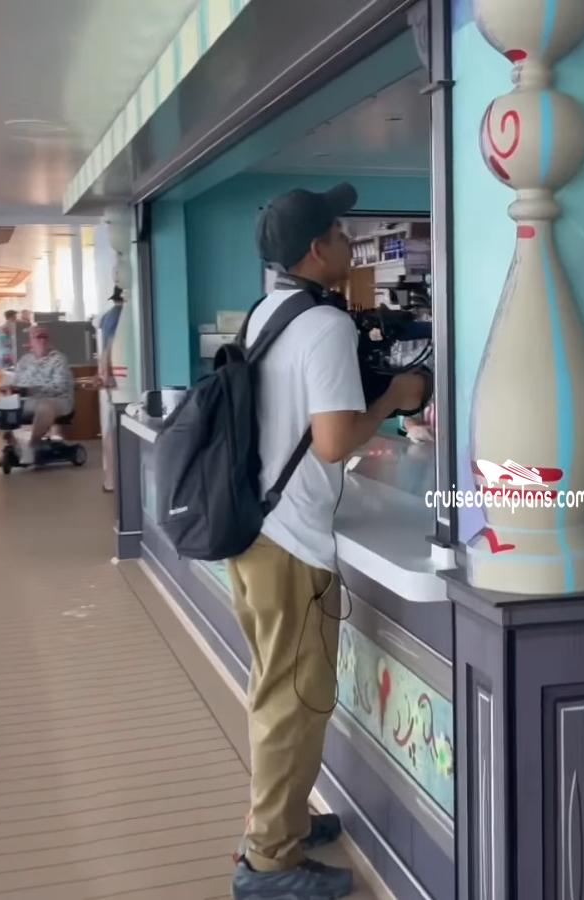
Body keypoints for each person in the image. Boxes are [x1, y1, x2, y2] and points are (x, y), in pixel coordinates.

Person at [227, 184, 425, 899]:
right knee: (293, 703)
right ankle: (268, 864)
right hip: (291, 548)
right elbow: (335, 441)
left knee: (275, 693)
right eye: (342, 234)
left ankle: (277, 824)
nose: (350, 244)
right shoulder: (324, 325)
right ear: (317, 249)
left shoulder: (266, 313)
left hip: (254, 534)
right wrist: (396, 399)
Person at [1, 326, 73, 463]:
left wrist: (30, 390)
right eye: (38, 337)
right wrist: (10, 389)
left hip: (57, 400)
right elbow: (16, 383)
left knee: (44, 407)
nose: (42, 340)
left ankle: (32, 446)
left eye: (45, 337)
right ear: (31, 342)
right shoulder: (24, 361)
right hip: (27, 401)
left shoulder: (58, 359)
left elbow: (60, 387)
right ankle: (16, 446)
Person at [96, 287, 126, 493]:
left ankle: (110, 478)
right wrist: (107, 375)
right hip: (118, 377)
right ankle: (111, 479)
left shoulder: (108, 316)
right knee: (114, 427)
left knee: (112, 424)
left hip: (112, 375)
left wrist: (103, 373)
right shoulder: (120, 316)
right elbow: (110, 346)